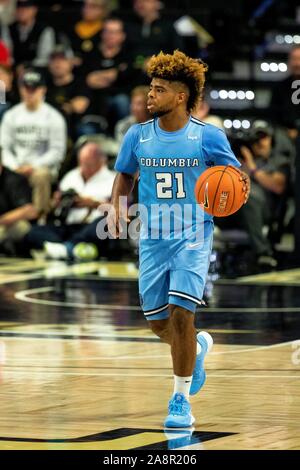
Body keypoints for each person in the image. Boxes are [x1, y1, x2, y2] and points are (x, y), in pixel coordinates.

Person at [108, 50, 250, 427]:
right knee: (159, 323)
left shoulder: (208, 137)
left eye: (158, 90)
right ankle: (197, 350)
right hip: (152, 237)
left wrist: (232, 191)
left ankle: (180, 400)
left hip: (192, 234)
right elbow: (124, 175)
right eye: (150, 89)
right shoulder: (137, 135)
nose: (149, 96)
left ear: (182, 96)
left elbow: (235, 178)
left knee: (182, 314)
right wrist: (117, 207)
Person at [26, 142, 115, 260]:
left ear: (101, 161)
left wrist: (94, 204)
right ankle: (72, 248)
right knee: (33, 232)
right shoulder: (70, 177)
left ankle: (67, 248)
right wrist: (57, 202)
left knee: (106, 222)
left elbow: (123, 212)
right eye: (82, 163)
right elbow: (53, 206)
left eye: (89, 164)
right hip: (69, 226)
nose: (84, 167)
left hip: (93, 227)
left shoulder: (114, 179)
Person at [0, 68, 67, 216]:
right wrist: (15, 166)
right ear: (20, 89)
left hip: (42, 167)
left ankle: (39, 217)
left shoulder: (54, 117)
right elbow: (4, 147)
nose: (30, 92)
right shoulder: (11, 116)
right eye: (26, 88)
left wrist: (33, 166)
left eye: (34, 89)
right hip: (16, 166)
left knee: (40, 175)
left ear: (43, 90)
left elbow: (57, 151)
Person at [0, 153, 37, 255]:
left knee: (21, 227)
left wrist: (3, 220)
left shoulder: (15, 180)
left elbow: (30, 211)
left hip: (13, 225)